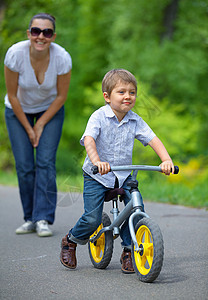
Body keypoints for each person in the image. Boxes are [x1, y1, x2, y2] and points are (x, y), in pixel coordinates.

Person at [60, 69, 174, 273]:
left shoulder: (135, 120)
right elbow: (89, 139)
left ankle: (129, 251)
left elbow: (152, 139)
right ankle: (71, 240)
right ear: (107, 96)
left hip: (123, 175)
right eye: (121, 92)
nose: (128, 96)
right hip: (97, 175)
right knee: (92, 219)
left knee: (137, 209)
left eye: (132, 92)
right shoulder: (98, 117)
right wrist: (97, 161)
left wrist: (166, 160)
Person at [4, 13, 72, 237]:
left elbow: (61, 96)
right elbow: (12, 96)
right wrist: (29, 127)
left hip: (50, 110)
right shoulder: (15, 54)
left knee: (45, 162)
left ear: (53, 36)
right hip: (17, 111)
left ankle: (43, 218)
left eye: (47, 32)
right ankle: (30, 218)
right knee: (24, 166)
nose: (40, 36)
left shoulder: (62, 58)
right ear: (28, 33)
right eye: (36, 31)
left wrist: (41, 124)